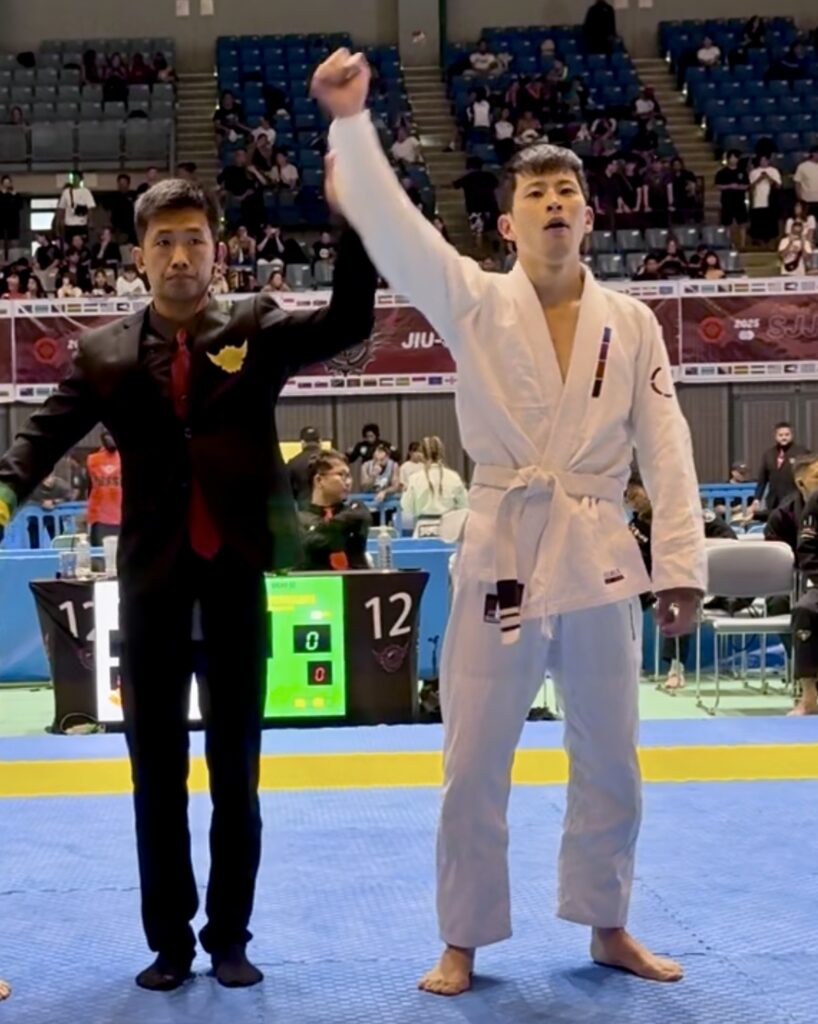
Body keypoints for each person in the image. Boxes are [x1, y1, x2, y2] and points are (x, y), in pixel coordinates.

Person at [315, 47, 705, 996]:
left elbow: (667, 444)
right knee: (474, 756)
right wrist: (353, 125)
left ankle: (608, 922)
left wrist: (682, 565)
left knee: (611, 752)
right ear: (507, 223)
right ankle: (463, 937)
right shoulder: (476, 301)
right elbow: (399, 233)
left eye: (569, 191)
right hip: (501, 545)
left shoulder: (633, 322)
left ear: (590, 215)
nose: (556, 203)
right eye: (537, 194)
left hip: (599, 548)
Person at [0, 176, 376, 991]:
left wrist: (352, 222)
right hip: (151, 594)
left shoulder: (255, 326)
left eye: (194, 240)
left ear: (217, 250)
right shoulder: (103, 354)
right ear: (138, 256)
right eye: (163, 242)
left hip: (235, 583)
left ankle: (230, 937)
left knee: (237, 776)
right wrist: (2, 494)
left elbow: (349, 322)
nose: (179, 256)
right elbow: (40, 438)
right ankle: (169, 943)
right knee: (155, 780)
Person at [627, 474, 735, 691]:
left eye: (635, 496)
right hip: (657, 585)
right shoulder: (638, 526)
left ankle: (676, 669)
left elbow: (730, 542)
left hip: (706, 584)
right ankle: (627, 664)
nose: (632, 503)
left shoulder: (693, 515)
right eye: (628, 499)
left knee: (679, 599)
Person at [764, 453, 818, 714]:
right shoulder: (785, 513)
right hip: (806, 582)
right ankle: (809, 697)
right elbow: (807, 552)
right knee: (803, 610)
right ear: (800, 482)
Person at [296, 449, 371, 570]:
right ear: (319, 480)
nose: (348, 482)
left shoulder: (356, 511)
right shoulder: (298, 519)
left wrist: (320, 528)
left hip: (355, 579)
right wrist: (339, 528)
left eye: (349, 476)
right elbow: (311, 542)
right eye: (341, 475)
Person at [400, 436, 468, 527]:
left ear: (423, 455)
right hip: (449, 528)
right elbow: (464, 505)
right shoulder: (454, 477)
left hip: (422, 527)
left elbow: (407, 508)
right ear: (442, 453)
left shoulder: (414, 478)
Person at [748, 422, 809, 518]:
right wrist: (757, 499)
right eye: (780, 435)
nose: (784, 438)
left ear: (792, 435)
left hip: (795, 500)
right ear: (775, 436)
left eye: (787, 435)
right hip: (774, 500)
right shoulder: (768, 454)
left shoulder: (802, 452)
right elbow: (762, 480)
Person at [86, 430, 122, 546]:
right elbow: (89, 486)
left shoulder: (128, 457)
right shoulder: (93, 459)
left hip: (122, 513)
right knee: (100, 552)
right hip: (99, 515)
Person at [715, 151, 749, 250]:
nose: (734, 160)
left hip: (740, 201)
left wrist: (738, 187)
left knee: (742, 223)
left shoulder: (742, 172)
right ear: (728, 159)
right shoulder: (722, 172)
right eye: (732, 157)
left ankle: (742, 245)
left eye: (735, 157)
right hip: (727, 202)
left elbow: (747, 185)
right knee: (727, 224)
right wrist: (729, 186)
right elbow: (717, 186)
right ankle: (728, 244)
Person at [748, 155, 782, 247]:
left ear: (768, 161)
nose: (763, 162)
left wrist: (768, 177)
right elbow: (750, 187)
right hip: (758, 201)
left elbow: (778, 186)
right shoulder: (754, 172)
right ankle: (759, 241)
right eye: (761, 160)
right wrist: (759, 179)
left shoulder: (774, 171)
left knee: (770, 223)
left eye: (765, 160)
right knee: (758, 223)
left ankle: (770, 242)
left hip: (771, 201)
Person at [287, 425, 323, 508]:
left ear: (302, 443)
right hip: (329, 509)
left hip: (304, 508)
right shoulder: (332, 459)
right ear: (320, 441)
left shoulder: (293, 462)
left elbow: (288, 490)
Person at [0, 175, 23, 259]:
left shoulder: (15, 195)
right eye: (5, 183)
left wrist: (14, 195)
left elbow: (20, 206)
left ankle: (14, 261)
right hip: (1, 221)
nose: (7, 185)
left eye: (8, 183)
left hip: (13, 222)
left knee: (14, 242)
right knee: (1, 242)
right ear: (2, 184)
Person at [794, 148, 818, 221]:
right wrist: (799, 197)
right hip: (807, 200)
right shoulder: (802, 166)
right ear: (813, 153)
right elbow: (797, 182)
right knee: (808, 222)